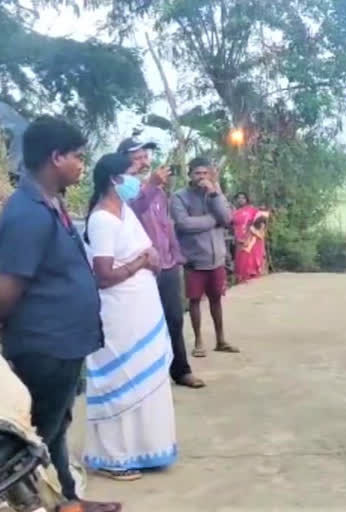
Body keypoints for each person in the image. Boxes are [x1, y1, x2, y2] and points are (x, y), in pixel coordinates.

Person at [0, 117, 121, 511]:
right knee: (39, 435)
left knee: (55, 430)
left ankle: (68, 500)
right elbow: (7, 289)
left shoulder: (50, 204)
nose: (82, 165)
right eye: (77, 157)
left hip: (64, 343)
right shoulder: (27, 214)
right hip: (44, 345)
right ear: (56, 157)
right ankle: (56, 504)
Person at [83, 153, 177, 481]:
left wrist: (149, 259)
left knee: (145, 379)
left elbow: (149, 249)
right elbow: (104, 274)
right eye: (132, 173)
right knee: (121, 378)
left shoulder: (124, 212)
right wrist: (140, 262)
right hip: (119, 312)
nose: (138, 178)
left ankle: (144, 448)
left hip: (142, 310)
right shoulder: (102, 220)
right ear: (114, 179)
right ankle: (112, 456)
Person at [118, 136, 205, 389]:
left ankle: (181, 370)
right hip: (141, 266)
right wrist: (150, 186)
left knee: (175, 318)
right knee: (141, 322)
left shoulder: (155, 188)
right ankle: (143, 375)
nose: (145, 162)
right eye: (138, 158)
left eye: (146, 157)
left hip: (166, 264)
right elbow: (129, 213)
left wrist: (176, 255)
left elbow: (165, 226)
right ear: (123, 159)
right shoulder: (120, 185)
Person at [171, 157, 237, 357]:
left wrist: (215, 194)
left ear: (210, 174)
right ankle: (199, 341)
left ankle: (221, 340)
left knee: (216, 299)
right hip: (194, 260)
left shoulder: (215, 193)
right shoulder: (179, 197)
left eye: (205, 173)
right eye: (197, 173)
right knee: (195, 301)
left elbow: (227, 218)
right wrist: (211, 220)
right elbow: (183, 224)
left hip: (216, 259)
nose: (201, 177)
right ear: (190, 175)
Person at [232, 192, 269, 283]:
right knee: (240, 262)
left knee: (249, 261)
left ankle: (252, 280)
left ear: (247, 199)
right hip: (238, 239)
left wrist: (249, 236)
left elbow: (261, 222)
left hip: (250, 241)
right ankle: (241, 281)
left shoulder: (252, 210)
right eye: (239, 198)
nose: (241, 199)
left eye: (243, 198)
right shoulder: (234, 212)